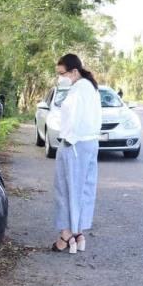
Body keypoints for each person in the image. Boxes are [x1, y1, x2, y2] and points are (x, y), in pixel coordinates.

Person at [51, 54, 102, 254]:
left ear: (74, 71)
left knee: (65, 190)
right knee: (83, 191)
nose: (60, 77)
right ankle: (78, 232)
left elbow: (74, 118)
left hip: (74, 144)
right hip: (89, 143)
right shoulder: (91, 87)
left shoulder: (79, 88)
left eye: (62, 73)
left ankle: (66, 235)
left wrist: (68, 140)